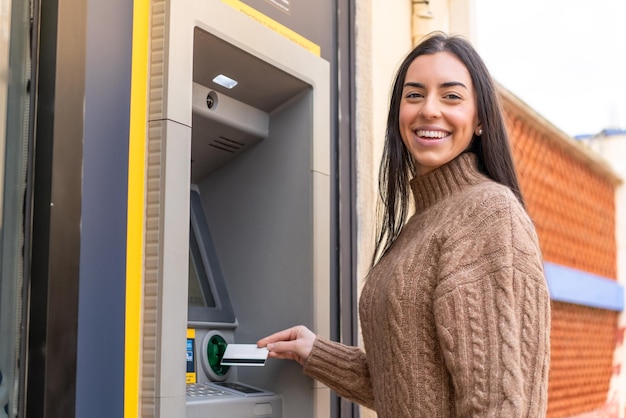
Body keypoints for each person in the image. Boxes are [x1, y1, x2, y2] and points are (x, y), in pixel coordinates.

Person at [258, 31, 551, 417]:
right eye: (414, 95)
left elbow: (500, 405)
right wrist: (317, 352)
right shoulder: (422, 223)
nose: (429, 110)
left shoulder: (489, 214)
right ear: (399, 115)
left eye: (451, 96)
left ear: (480, 119)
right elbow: (411, 386)